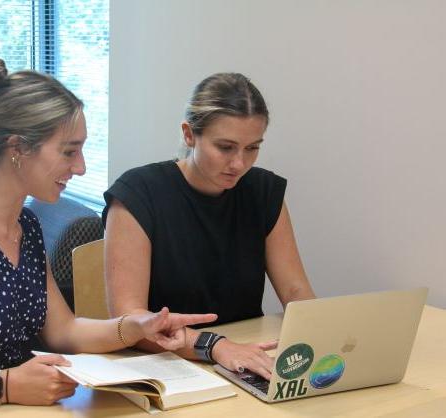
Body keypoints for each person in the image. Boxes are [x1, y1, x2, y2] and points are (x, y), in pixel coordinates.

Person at [0, 59, 217, 407]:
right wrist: (5, 385)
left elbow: (64, 331)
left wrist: (135, 327)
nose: (80, 167)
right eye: (68, 151)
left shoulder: (24, 225)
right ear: (18, 148)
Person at [103, 72, 315, 380]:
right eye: (226, 147)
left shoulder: (263, 192)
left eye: (252, 148)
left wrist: (325, 339)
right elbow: (128, 319)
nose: (239, 164)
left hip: (243, 357)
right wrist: (214, 345)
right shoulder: (138, 193)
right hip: (165, 365)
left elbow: (296, 290)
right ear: (189, 135)